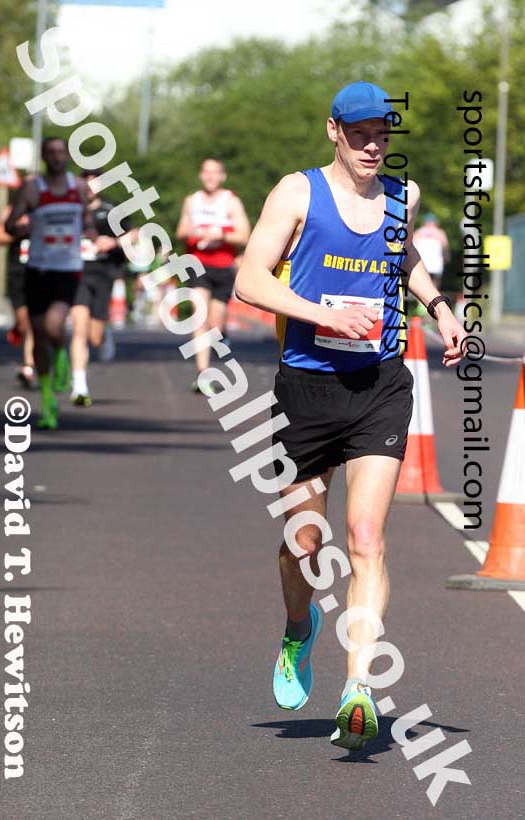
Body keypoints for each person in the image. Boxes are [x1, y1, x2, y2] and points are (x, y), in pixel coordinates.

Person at [235, 81, 466, 750]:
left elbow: (405, 258)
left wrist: (438, 306)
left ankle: (356, 688)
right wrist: (321, 314)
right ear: (333, 130)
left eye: (382, 133)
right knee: (305, 544)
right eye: (360, 132)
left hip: (377, 387)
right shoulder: (296, 192)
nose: (373, 144)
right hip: (305, 390)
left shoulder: (402, 195)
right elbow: (249, 280)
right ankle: (296, 629)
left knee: (365, 537)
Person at [6, 137, 92, 429]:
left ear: (68, 156)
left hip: (67, 269)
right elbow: (9, 225)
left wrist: (93, 234)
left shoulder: (78, 188)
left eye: (61, 152)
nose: (56, 157)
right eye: (51, 152)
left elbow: (88, 221)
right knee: (38, 335)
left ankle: (62, 353)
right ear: (43, 156)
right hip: (37, 268)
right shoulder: (32, 188)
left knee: (54, 326)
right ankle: (47, 403)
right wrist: (21, 228)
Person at [176, 158, 250, 396]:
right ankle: (202, 373)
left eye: (214, 172)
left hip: (223, 266)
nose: (210, 177)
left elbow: (244, 235)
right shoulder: (192, 201)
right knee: (200, 317)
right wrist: (194, 232)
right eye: (206, 172)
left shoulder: (231, 201)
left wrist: (221, 235)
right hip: (198, 265)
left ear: (222, 176)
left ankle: (221, 335)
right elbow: (180, 231)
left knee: (214, 325)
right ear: (201, 175)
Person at [70, 170, 131, 406]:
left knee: (94, 336)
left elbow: (134, 233)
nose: (90, 187)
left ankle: (104, 334)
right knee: (79, 329)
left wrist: (113, 242)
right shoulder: (72, 208)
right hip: (77, 274)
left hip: (104, 274)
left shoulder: (112, 210)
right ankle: (79, 386)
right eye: (86, 182)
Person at [0, 197, 35, 388]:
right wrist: (19, 233)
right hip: (17, 272)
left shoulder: (43, 211)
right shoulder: (11, 212)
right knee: (23, 321)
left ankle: (28, 366)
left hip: (39, 271)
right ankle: (17, 328)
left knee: (33, 321)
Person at [412, 213, 450, 314]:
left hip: (422, 263)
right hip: (435, 264)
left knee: (421, 283)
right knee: (434, 284)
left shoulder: (419, 232)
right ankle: (434, 304)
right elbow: (445, 246)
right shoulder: (440, 233)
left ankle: (421, 304)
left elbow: (410, 246)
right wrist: (446, 257)